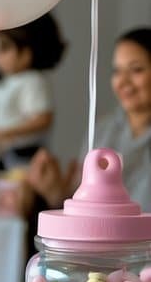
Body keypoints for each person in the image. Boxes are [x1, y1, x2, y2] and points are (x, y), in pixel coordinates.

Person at [28, 27, 151, 212]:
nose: (122, 81)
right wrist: (55, 193)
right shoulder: (102, 131)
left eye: (136, 70)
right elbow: (83, 206)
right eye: (117, 71)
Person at [0, 13, 66, 171]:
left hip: (26, 154)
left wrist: (4, 133)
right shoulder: (4, 82)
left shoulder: (32, 81)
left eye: (4, 49)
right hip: (5, 153)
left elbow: (43, 119)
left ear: (25, 54)